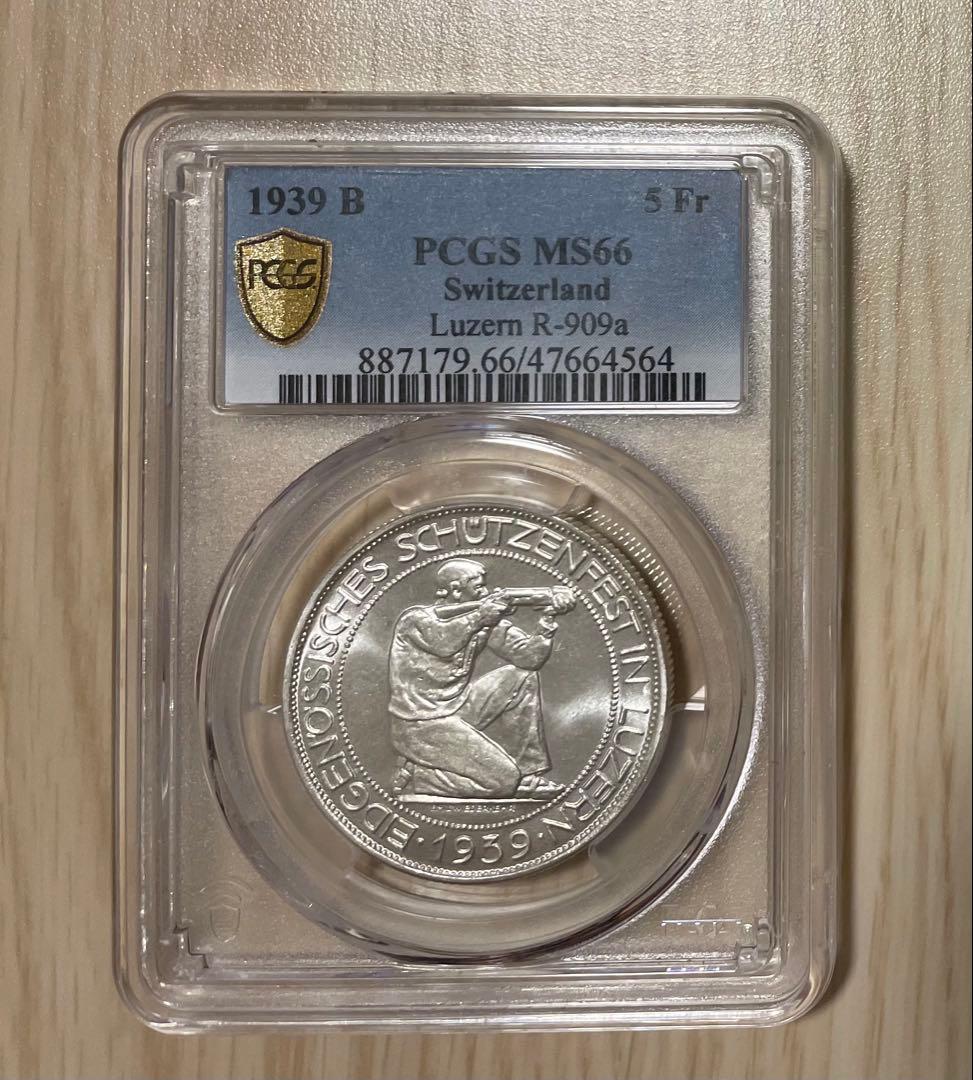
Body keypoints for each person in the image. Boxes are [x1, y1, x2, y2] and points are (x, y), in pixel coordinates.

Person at [387, 558, 572, 798]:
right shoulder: (415, 620)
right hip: (418, 725)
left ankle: (528, 774)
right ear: (456, 590)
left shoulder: (485, 619)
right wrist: (480, 617)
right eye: (478, 587)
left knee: (522, 677)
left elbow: (529, 658)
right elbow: (443, 643)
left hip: (459, 708)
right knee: (504, 782)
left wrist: (547, 621)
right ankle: (421, 777)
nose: (485, 592)